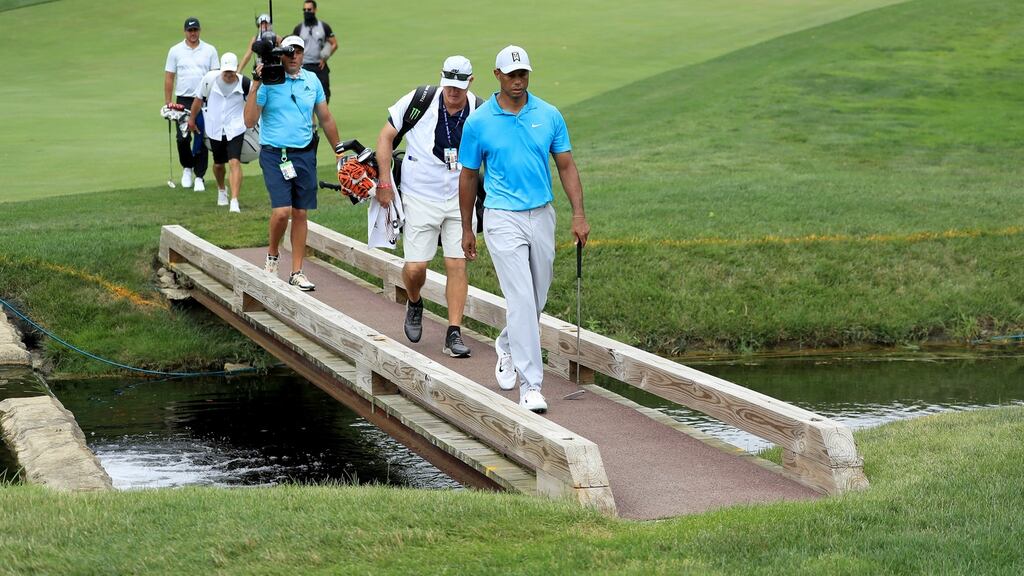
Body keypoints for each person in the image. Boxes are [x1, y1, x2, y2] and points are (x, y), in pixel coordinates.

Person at [458, 45, 590, 414]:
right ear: (497, 75)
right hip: (501, 216)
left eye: (523, 74)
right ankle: (532, 384)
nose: (518, 81)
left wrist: (578, 214)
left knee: (537, 298)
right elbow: (469, 176)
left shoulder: (548, 115)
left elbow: (566, 165)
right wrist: (469, 227)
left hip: (542, 213)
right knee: (520, 298)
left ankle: (507, 344)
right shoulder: (479, 121)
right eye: (511, 75)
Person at [375, 56, 485, 359]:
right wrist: (384, 182)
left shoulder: (479, 108)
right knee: (415, 268)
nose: (453, 92)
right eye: (449, 84)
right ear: (442, 79)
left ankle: (454, 333)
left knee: (457, 264)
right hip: (419, 195)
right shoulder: (420, 99)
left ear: (470, 83)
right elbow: (385, 137)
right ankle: (414, 301)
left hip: (460, 198)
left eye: (459, 87)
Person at [243, 35, 343, 291]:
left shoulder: (312, 80)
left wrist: (339, 152)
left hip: (304, 154)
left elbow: (326, 118)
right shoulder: (269, 80)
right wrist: (255, 83)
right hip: (275, 154)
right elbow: (249, 120)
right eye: (289, 52)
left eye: (298, 51)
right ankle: (272, 255)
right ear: (280, 55)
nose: (294, 56)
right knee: (281, 212)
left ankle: (297, 271)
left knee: (300, 212)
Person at [188, 53, 249, 213]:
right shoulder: (209, 79)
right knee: (218, 165)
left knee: (234, 162)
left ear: (236, 69)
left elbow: (255, 102)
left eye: (231, 71)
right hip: (215, 128)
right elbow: (198, 100)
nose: (229, 75)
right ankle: (222, 190)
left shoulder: (244, 82)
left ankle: (234, 201)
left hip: (235, 128)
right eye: (226, 71)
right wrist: (192, 119)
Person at [164, 17, 218, 192]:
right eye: (190, 31)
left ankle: (199, 177)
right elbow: (169, 77)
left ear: (199, 31)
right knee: (183, 138)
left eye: (195, 30)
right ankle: (187, 168)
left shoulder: (209, 50)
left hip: (204, 99)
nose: (193, 33)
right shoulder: (175, 51)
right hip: (183, 100)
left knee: (201, 138)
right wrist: (168, 103)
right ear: (185, 32)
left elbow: (215, 77)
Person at [292, 1, 337, 103]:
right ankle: (310, 118)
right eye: (304, 10)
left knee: (325, 94)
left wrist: (325, 57)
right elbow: (293, 45)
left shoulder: (324, 27)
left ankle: (322, 116)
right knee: (306, 94)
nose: (306, 12)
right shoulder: (299, 28)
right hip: (304, 66)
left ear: (315, 10)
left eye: (309, 10)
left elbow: (334, 43)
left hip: (320, 65)